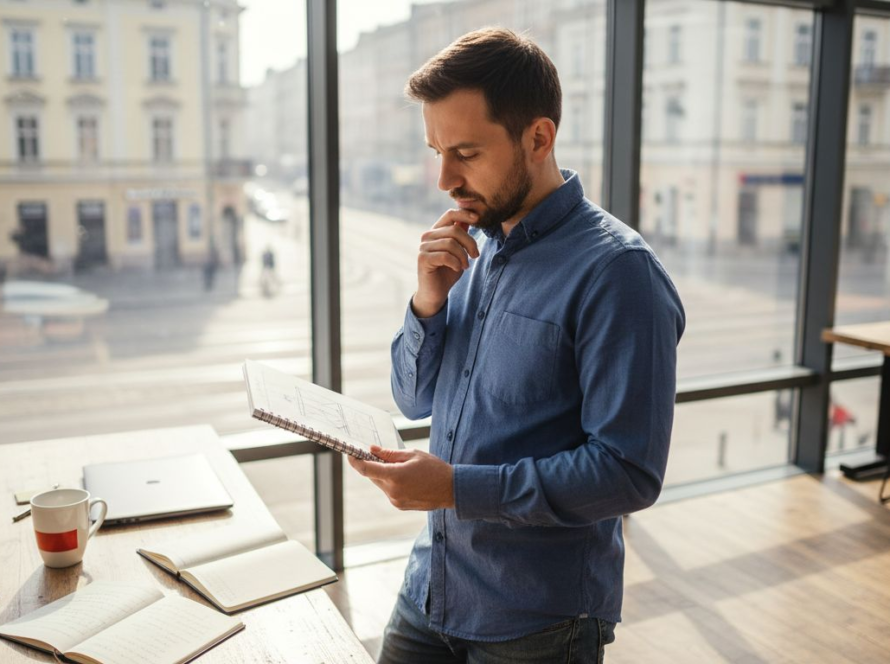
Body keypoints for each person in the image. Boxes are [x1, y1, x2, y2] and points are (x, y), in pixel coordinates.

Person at [348, 28, 685, 663]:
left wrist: (454, 489)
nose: (445, 178)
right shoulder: (468, 246)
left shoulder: (619, 273)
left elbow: (628, 473)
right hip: (432, 589)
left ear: (538, 137)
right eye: (437, 151)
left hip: (538, 621)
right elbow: (412, 397)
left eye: (466, 152)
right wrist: (427, 302)